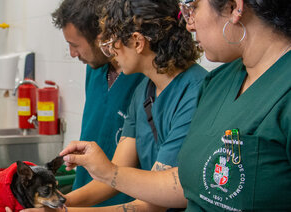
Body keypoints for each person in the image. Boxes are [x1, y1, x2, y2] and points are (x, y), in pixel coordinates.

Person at [58, 0, 291, 211]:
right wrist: (64, 202)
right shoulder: (217, 83)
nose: (189, 26)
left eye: (194, 8)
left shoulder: (197, 88)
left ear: (234, 7)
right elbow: (186, 182)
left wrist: (108, 175)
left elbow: (165, 197)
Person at [18, 0, 207, 211]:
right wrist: (53, 204)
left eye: (112, 42)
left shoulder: (195, 93)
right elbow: (114, 174)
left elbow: (155, 201)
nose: (110, 52)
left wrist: (67, 208)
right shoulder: (143, 91)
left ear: (137, 42)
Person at [51, 0, 144, 206]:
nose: (73, 54)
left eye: (75, 45)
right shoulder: (95, 69)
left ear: (102, 36)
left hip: (123, 201)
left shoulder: (142, 77)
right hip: (84, 193)